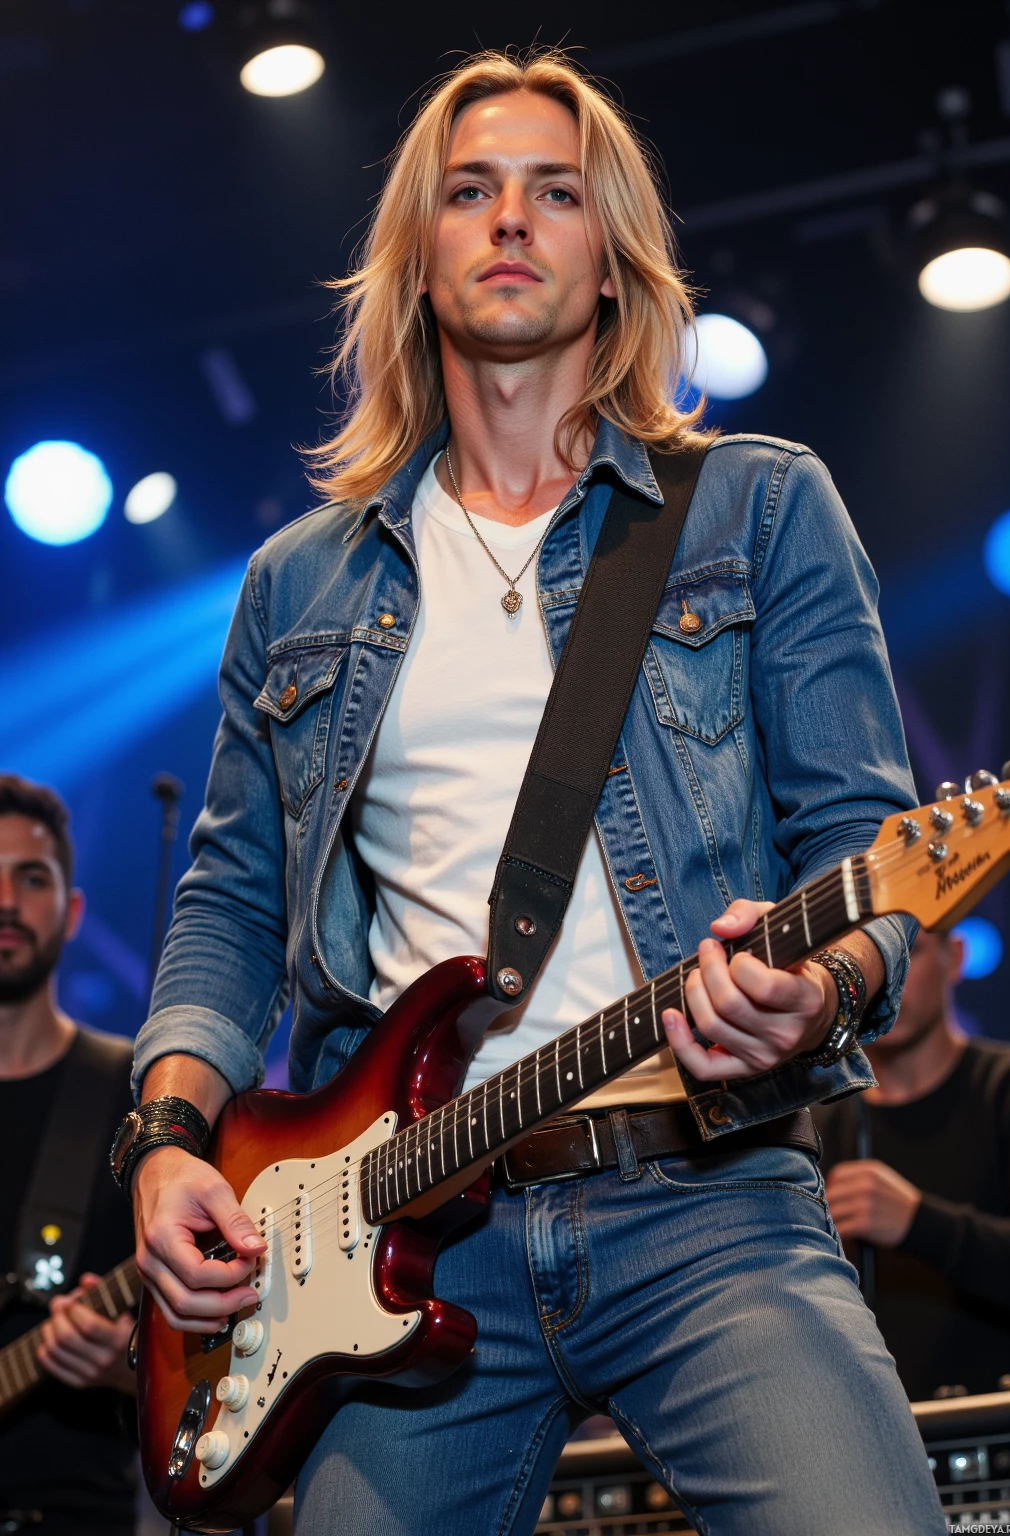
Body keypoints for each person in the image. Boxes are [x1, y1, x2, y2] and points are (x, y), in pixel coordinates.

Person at [124, 50, 946, 1536]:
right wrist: (170, 1140)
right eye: (471, 191)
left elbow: (863, 851)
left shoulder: (759, 508)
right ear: (418, 259)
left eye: (555, 192)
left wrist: (816, 990)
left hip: (710, 1198)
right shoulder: (297, 584)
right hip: (410, 1242)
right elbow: (228, 908)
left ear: (613, 258)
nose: (511, 218)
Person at [0, 775, 137, 1536]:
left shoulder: (138, 1094)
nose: (7, 903)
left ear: (72, 909)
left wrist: (128, 1366)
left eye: (31, 877)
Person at [815, 928, 1010, 1401]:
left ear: (956, 955)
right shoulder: (817, 1125)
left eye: (911, 950)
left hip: (997, 1424)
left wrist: (917, 1221)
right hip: (870, 1431)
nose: (891, 976)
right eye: (870, 958)